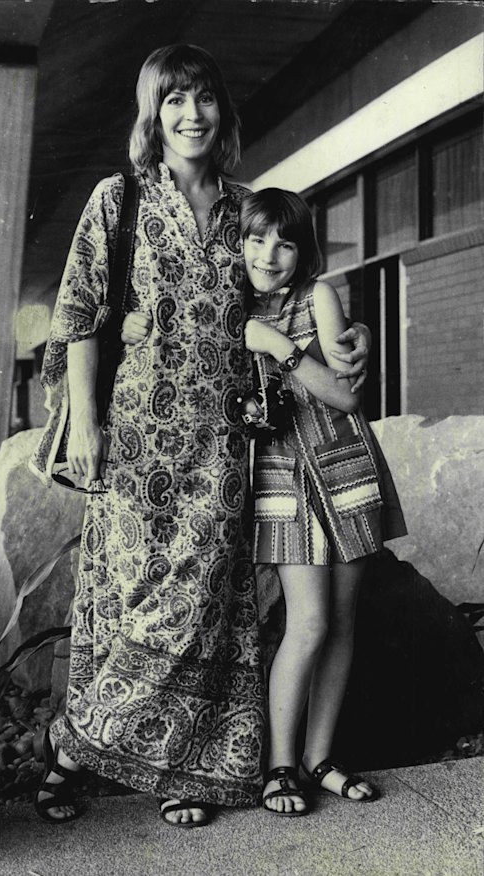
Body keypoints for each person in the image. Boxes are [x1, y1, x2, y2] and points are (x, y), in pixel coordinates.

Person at [30, 44, 371, 829]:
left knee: (205, 609)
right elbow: (79, 313)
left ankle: (185, 771)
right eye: (175, 100)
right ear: (154, 113)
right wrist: (85, 422)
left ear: (223, 111)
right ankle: (71, 751)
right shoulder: (117, 199)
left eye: (204, 98)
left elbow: (302, 294)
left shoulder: (250, 210)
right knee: (125, 602)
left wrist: (351, 341)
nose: (191, 114)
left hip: (223, 445)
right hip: (133, 441)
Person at [240, 188, 407, 817]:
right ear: (238, 244)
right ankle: (280, 765)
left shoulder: (319, 297)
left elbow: (344, 396)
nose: (270, 254)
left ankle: (321, 758)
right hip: (281, 477)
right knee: (306, 623)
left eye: (285, 241)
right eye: (257, 239)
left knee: (341, 622)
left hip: (345, 466)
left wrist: (277, 346)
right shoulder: (226, 310)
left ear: (302, 249)